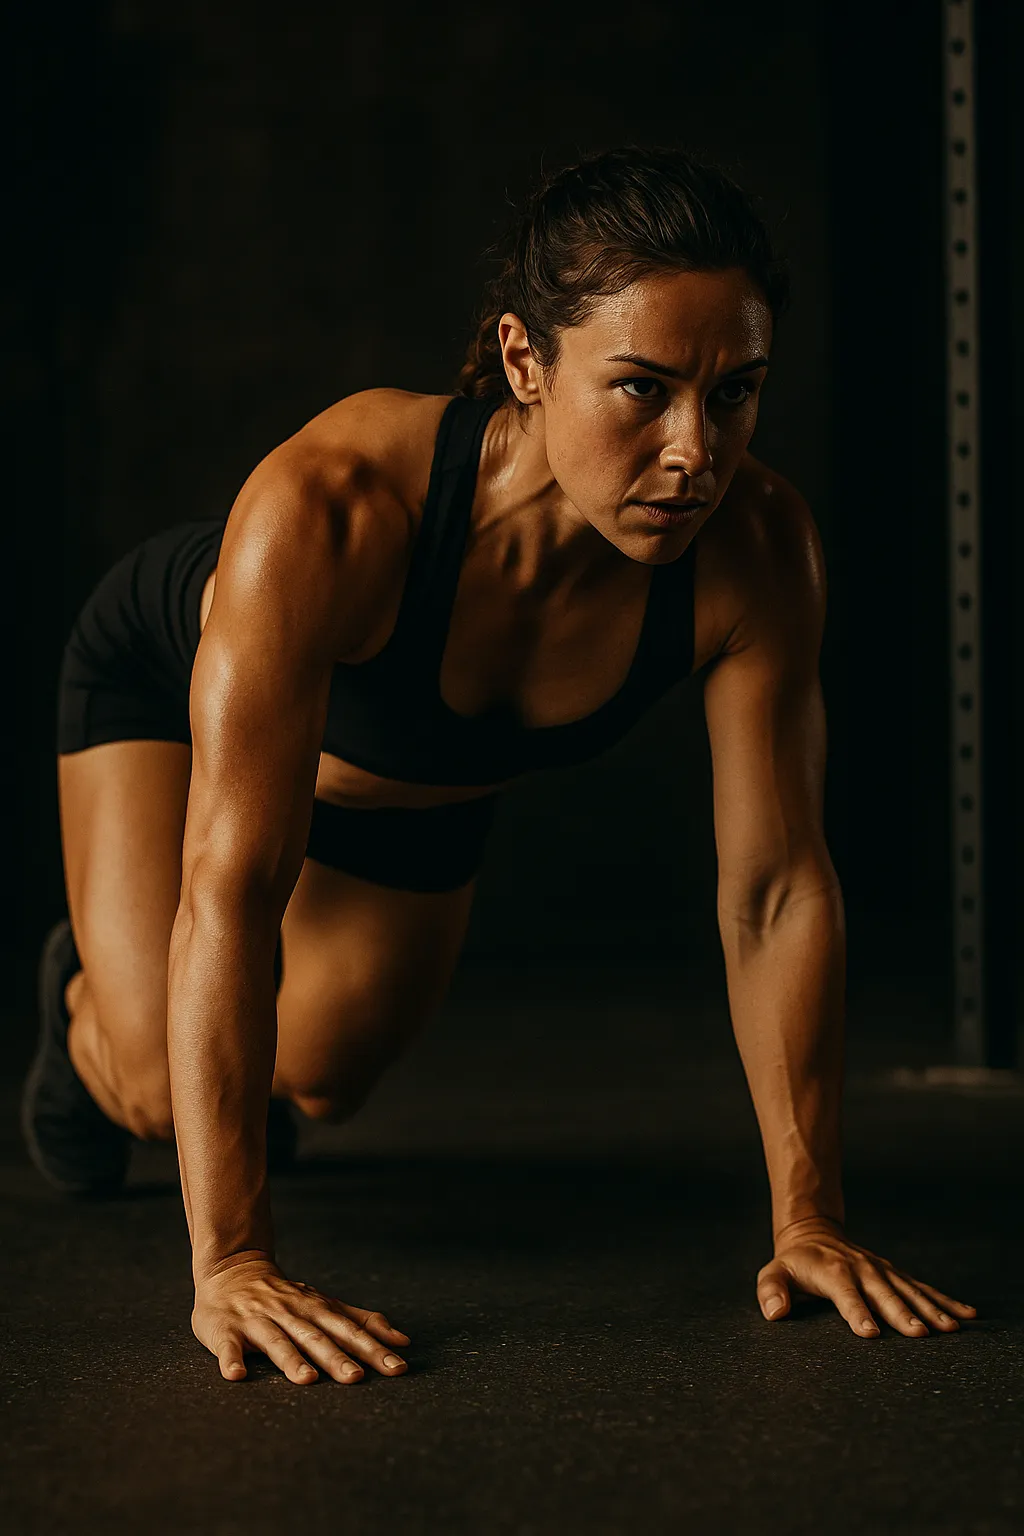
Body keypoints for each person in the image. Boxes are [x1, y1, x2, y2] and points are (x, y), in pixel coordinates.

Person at [21, 146, 976, 1386]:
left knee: (318, 1079)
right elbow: (232, 887)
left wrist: (810, 1217)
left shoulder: (754, 550)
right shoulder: (334, 506)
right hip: (182, 704)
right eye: (642, 389)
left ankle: (182, 1043)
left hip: (422, 781)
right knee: (164, 1084)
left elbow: (779, 886)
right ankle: (84, 1013)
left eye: (735, 392)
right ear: (527, 361)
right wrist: (233, 1262)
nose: (696, 449)